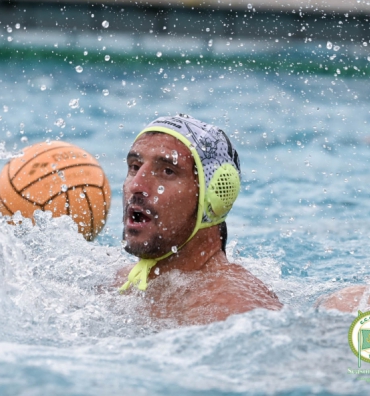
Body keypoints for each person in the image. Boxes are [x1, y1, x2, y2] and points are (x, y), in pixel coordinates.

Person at [117, 114, 282, 325]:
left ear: (214, 195)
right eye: (135, 167)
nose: (136, 185)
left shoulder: (233, 310)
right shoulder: (118, 282)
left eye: (167, 171)